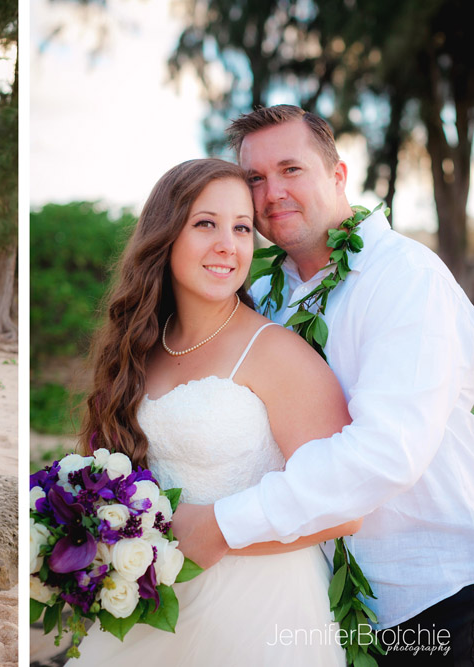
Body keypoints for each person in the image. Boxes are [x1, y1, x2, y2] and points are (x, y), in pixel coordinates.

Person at [170, 106, 474, 664]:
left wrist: (220, 525)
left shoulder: (407, 280)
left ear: (337, 176)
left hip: (437, 601)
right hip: (316, 603)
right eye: (255, 179)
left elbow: (385, 454)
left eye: (291, 169)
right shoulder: (262, 298)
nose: (272, 193)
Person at [72, 158, 360, 664]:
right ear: (165, 235)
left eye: (242, 228)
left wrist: (215, 535)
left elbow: (345, 505)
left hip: (256, 614)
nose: (228, 244)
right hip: (149, 611)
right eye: (206, 223)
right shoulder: (138, 351)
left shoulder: (277, 353)